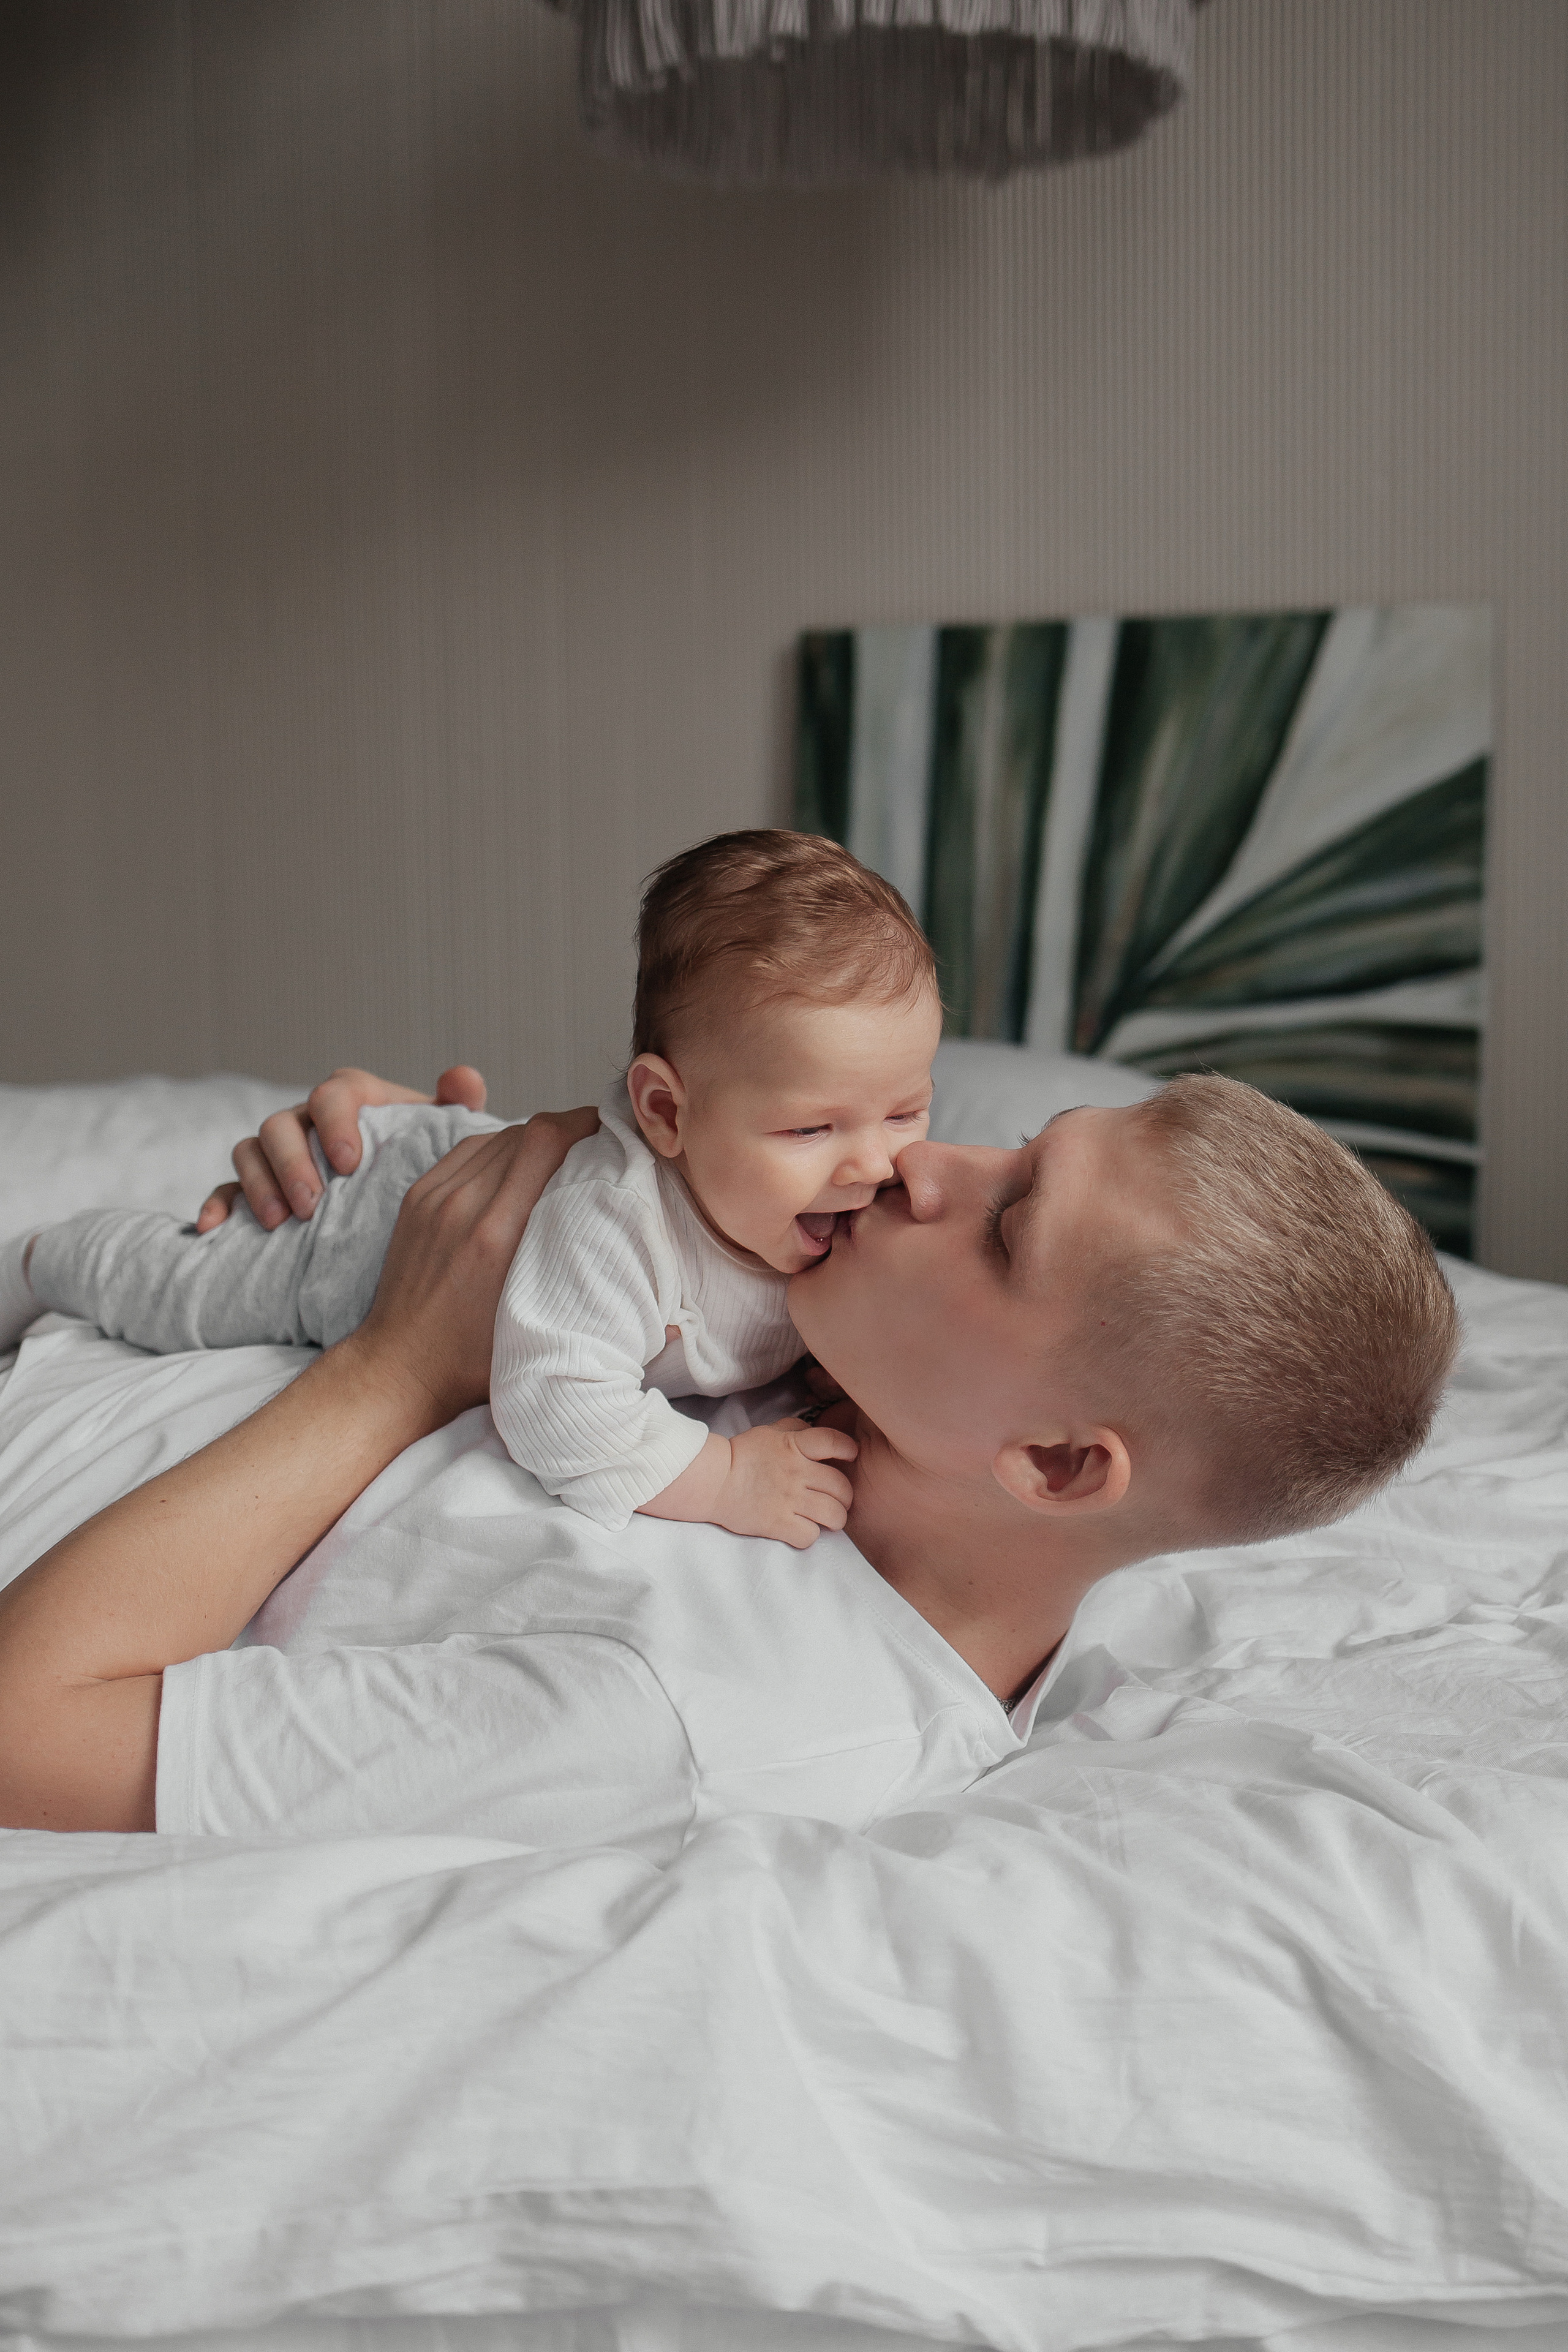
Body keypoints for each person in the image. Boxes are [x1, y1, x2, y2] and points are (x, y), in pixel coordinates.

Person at [0, 1051, 1460, 1839]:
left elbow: (25, 1742)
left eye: (1010, 1223)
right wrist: (392, 1182)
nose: (922, 1162)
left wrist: (401, 1361)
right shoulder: (842, 1379)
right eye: (1018, 1142)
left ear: (1059, 1468)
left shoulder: (702, 1711)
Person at [1, 832, 941, 1548]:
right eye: (809, 1129)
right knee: (181, 1292)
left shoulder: (844, 1211)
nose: (872, 1164)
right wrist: (725, 1477)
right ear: (665, 1113)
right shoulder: (621, 1223)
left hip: (451, 1179)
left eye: (906, 1112)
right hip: (354, 1231)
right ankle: (45, 1259)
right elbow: (555, 1399)